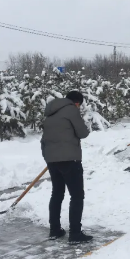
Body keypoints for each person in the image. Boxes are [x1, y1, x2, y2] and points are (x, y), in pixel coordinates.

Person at [41, 91, 92, 243]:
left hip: (51, 159)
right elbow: (83, 133)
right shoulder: (71, 110)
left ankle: (55, 230)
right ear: (76, 102)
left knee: (57, 193)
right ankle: (75, 234)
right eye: (79, 104)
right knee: (76, 196)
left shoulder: (50, 112)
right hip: (69, 159)